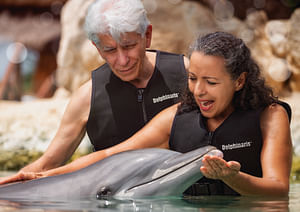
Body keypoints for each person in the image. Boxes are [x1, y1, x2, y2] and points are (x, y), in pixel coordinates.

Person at [1, 31, 292, 197]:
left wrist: (233, 178)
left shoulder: (270, 116)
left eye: (212, 82)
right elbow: (108, 156)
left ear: (239, 81)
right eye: (192, 79)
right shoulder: (177, 116)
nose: (199, 91)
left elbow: (279, 191)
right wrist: (39, 175)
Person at [0, 0, 188, 184]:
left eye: (129, 46)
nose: (122, 60)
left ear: (147, 36)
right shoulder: (86, 97)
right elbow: (46, 166)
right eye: (110, 50)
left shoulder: (186, 73)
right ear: (97, 48)